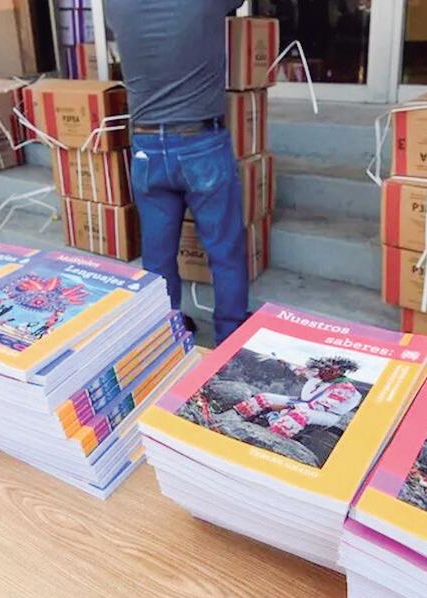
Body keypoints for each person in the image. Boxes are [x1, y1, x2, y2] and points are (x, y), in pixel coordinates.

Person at [105, 0, 247, 345]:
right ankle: (230, 340)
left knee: (157, 255)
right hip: (201, 143)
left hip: (146, 147)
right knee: (225, 251)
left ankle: (165, 338)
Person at [234, 356, 362, 439]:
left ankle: (271, 436)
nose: (320, 372)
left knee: (299, 415)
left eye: (325, 370)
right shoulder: (320, 376)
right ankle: (238, 416)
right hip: (302, 402)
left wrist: (283, 407)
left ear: (336, 373)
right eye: (321, 369)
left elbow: (319, 406)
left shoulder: (345, 389)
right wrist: (285, 362)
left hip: (327, 414)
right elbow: (300, 371)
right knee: (264, 397)